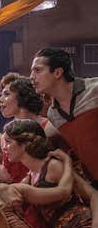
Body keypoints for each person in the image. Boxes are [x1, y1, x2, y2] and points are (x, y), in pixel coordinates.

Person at [4, 119, 98, 228]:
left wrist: (95, 227)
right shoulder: (30, 177)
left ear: (24, 144)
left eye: (8, 142)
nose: (4, 147)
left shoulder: (53, 166)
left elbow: (93, 195)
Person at [31, 48, 98, 185]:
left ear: (57, 72)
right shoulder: (53, 114)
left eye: (37, 70)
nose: (31, 76)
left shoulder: (94, 90)